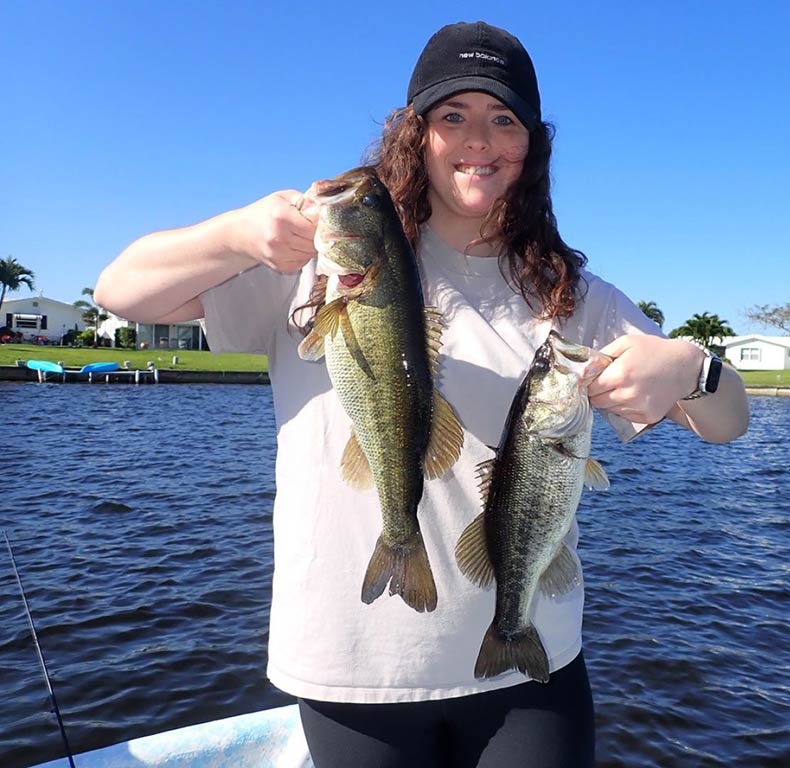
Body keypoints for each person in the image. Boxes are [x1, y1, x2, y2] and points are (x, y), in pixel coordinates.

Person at [94, 20, 748, 768]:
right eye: (453, 117)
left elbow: (727, 424)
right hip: (355, 663)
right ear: (417, 133)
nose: (479, 140)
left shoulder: (578, 298)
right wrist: (236, 235)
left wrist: (693, 367)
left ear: (533, 144)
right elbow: (122, 291)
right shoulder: (318, 261)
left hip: (530, 660)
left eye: (505, 119)